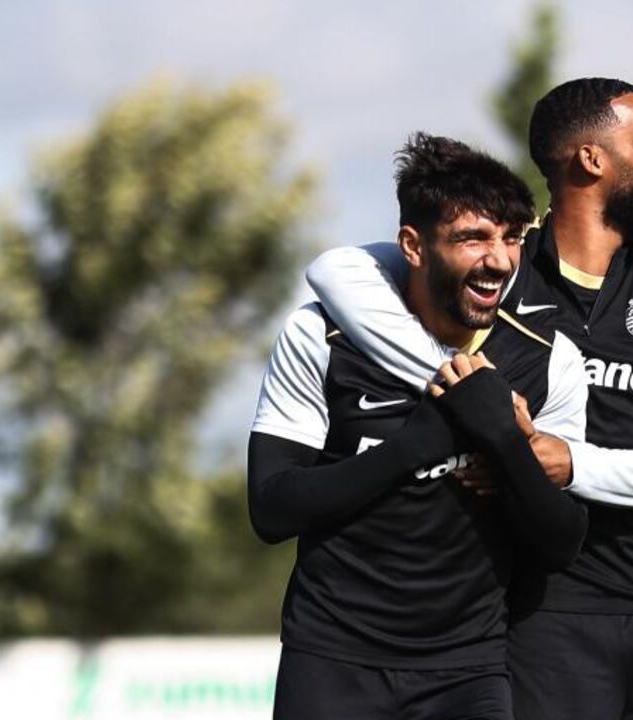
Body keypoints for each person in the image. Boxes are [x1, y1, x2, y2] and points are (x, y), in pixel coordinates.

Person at [305, 79, 633, 718]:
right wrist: (473, 400)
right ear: (591, 160)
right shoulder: (497, 262)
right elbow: (336, 270)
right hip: (539, 612)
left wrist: (565, 461)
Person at [249, 133, 589, 720]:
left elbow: (562, 541)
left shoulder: (547, 357)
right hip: (331, 662)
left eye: (511, 238)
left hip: (468, 671)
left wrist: (505, 444)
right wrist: (416, 446)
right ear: (412, 245)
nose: (500, 261)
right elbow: (272, 508)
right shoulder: (321, 337)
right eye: (472, 238)